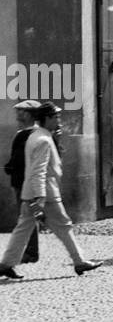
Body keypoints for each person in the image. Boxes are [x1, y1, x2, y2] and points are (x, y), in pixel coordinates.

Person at [0, 102, 102, 281]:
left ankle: (6, 264)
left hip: (30, 192)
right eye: (55, 117)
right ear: (46, 119)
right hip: (45, 194)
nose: (59, 120)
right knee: (63, 226)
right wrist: (40, 198)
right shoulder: (43, 140)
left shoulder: (37, 136)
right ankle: (79, 261)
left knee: (23, 228)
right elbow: (39, 171)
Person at [3, 100, 42, 264]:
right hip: (25, 182)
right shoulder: (34, 133)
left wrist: (9, 167)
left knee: (27, 218)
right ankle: (29, 252)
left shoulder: (27, 135)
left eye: (21, 111)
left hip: (25, 182)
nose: (17, 115)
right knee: (28, 217)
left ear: (28, 115)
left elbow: (19, 159)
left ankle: (30, 253)